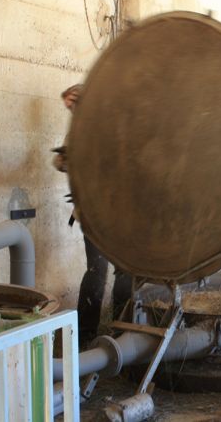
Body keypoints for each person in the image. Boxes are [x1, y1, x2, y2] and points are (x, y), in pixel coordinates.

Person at [53, 84, 132, 346]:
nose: (72, 109)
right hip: (94, 213)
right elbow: (60, 162)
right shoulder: (81, 130)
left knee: (122, 271)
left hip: (118, 213)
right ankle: (90, 335)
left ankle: (118, 331)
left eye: (75, 104)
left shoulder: (110, 127)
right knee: (101, 270)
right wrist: (67, 160)